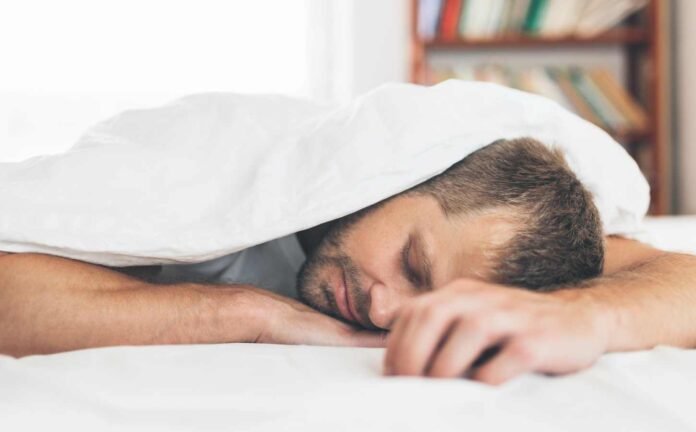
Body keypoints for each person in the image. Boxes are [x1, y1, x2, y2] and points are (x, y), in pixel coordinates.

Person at [0, 137, 694, 386]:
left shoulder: (524, 239)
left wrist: (581, 316)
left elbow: (677, 275)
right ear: (396, 181)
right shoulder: (252, 177)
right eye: (412, 263)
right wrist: (249, 315)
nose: (386, 309)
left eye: (428, 302)